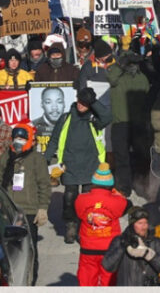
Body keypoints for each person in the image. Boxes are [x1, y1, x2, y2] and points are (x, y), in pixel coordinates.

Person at [44, 84, 111, 244]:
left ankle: (85, 228)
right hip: (70, 164)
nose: (81, 105)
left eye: (85, 103)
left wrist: (93, 102)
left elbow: (108, 117)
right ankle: (71, 226)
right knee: (70, 197)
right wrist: (45, 159)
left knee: (88, 200)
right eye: (80, 101)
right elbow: (54, 140)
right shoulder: (66, 118)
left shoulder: (94, 119)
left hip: (90, 164)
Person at [0, 123, 51, 284]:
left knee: (29, 250)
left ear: (30, 140)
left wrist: (43, 208)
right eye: (15, 138)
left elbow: (44, 185)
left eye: (21, 138)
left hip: (29, 211)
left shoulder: (36, 159)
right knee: (9, 250)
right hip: (8, 211)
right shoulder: (7, 156)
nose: (17, 141)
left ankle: (31, 282)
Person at [75, 163, 130, 286]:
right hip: (109, 248)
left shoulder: (81, 199)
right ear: (110, 184)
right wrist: (117, 194)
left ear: (93, 182)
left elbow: (79, 214)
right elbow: (127, 205)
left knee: (87, 280)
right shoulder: (118, 201)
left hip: (88, 248)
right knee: (109, 281)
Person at [106, 51, 149, 197]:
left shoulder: (141, 77)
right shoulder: (117, 77)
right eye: (129, 63)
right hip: (120, 122)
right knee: (121, 157)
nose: (132, 66)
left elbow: (147, 94)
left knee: (139, 155)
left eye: (134, 63)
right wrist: (119, 65)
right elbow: (110, 77)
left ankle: (141, 185)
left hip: (137, 122)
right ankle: (124, 187)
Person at [102, 206, 160, 286]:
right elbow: (107, 266)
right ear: (132, 224)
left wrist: (148, 254)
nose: (144, 227)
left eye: (145, 223)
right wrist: (122, 247)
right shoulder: (120, 240)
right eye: (140, 223)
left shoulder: (156, 242)